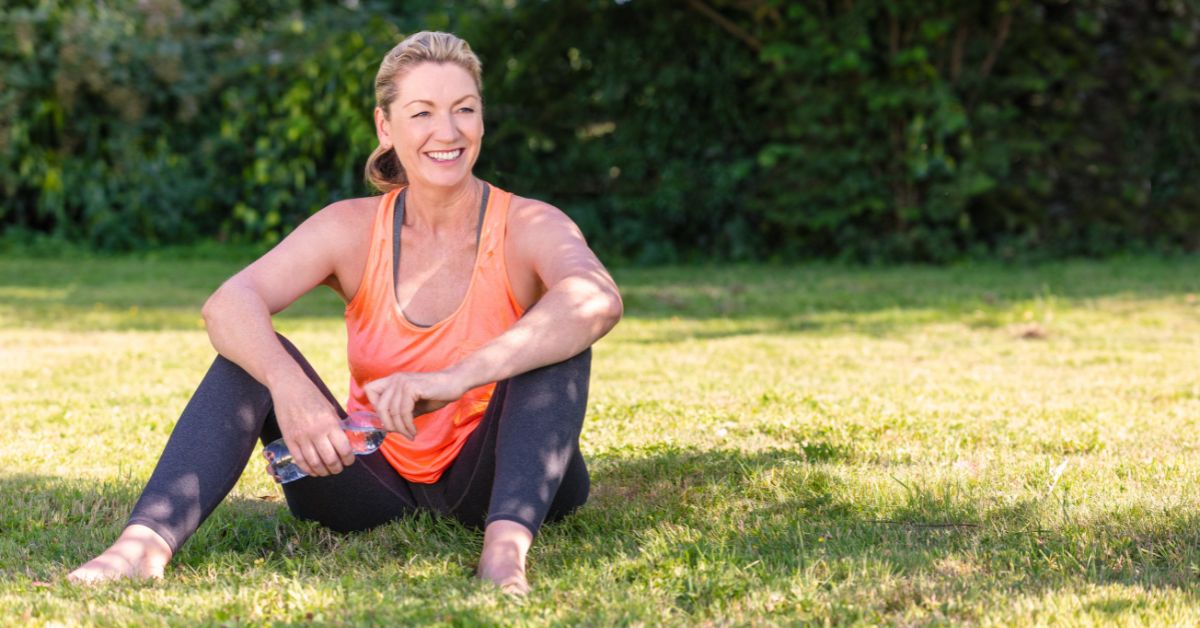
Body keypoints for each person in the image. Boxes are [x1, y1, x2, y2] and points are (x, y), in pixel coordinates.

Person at [67, 31, 622, 595]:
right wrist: (291, 389)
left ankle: (503, 556)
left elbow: (596, 298)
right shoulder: (352, 228)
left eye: (464, 110)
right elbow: (228, 304)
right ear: (386, 126)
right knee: (253, 358)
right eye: (422, 112)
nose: (447, 132)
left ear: (482, 118)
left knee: (559, 343)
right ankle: (140, 547)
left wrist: (456, 378)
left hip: (503, 477)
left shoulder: (529, 223)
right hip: (367, 479)